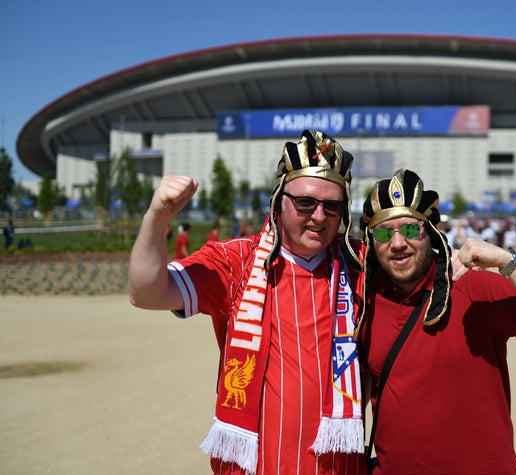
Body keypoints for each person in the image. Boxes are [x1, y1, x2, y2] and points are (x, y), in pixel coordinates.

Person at [128, 130, 366, 474]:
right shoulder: (235, 260)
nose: (318, 216)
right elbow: (147, 293)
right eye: (305, 203)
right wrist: (156, 218)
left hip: (339, 467)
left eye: (332, 206)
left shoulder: (360, 262)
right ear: (278, 201)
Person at [356, 169, 516, 474]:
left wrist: (507, 261)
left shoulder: (474, 287)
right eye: (384, 233)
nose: (397, 243)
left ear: (431, 232)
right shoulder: (364, 302)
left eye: (410, 230)